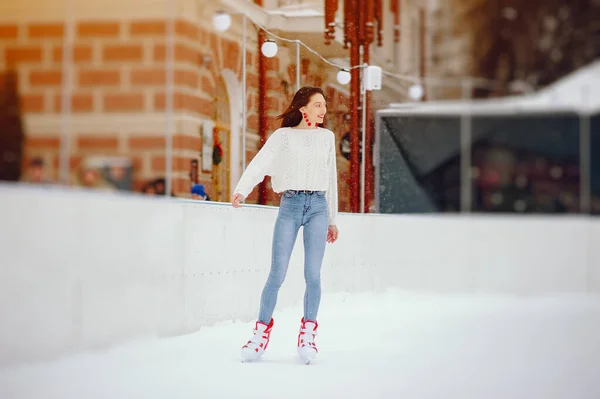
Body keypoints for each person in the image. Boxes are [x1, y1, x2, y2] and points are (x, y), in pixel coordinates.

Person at [231, 86, 339, 364]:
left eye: (323, 105)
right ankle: (260, 334)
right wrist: (242, 189)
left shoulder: (326, 137)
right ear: (303, 108)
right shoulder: (283, 137)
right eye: (318, 105)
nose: (322, 110)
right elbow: (260, 163)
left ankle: (308, 335)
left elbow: (331, 181)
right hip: (290, 204)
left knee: (312, 275)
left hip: (317, 206)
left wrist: (332, 219)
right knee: (276, 274)